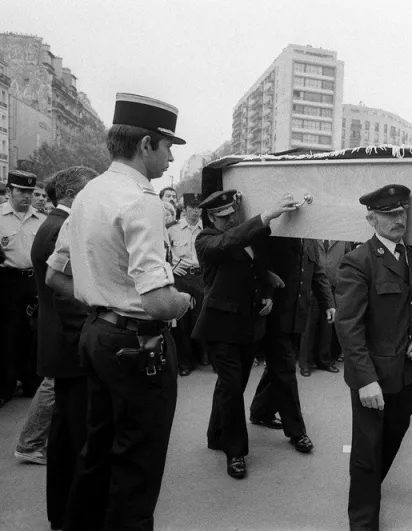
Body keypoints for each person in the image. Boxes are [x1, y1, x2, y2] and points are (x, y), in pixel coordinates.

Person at [59, 93, 191, 531]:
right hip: (138, 344)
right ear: (147, 143)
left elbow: (55, 273)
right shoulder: (141, 200)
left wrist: (101, 294)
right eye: (169, 146)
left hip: (97, 335)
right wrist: (186, 300)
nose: (171, 157)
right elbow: (157, 300)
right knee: (138, 463)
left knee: (97, 450)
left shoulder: (89, 192)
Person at [335, 184, 412, 531]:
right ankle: (363, 521)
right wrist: (365, 380)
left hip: (408, 375)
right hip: (374, 377)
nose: (398, 219)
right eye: (389, 214)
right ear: (371, 218)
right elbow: (349, 327)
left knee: (392, 437)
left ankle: (369, 491)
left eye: (402, 212)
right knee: (366, 451)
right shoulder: (358, 262)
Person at [193, 188, 294, 479]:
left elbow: (255, 270)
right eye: (223, 216)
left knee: (232, 386)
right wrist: (265, 215)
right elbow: (227, 243)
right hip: (218, 327)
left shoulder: (246, 237)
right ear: (211, 216)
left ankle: (216, 434)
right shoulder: (206, 239)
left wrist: (266, 290)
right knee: (232, 386)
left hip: (246, 326)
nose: (229, 220)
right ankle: (235, 452)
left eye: (233, 214)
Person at [23, 166, 96, 529]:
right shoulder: (61, 228)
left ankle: (64, 513)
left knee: (66, 434)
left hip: (60, 341)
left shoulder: (52, 223)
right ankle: (72, 513)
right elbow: (67, 295)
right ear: (73, 193)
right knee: (73, 437)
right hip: (70, 344)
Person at [248, 234, 335, 453]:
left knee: (278, 367)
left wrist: (327, 303)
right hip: (275, 314)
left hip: (298, 316)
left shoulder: (311, 238)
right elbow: (262, 266)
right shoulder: (278, 234)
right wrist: (265, 295)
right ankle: (297, 431)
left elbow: (317, 274)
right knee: (286, 370)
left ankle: (260, 411)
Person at [0, 170, 45, 407]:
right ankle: (5, 385)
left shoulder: (41, 218)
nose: (27, 196)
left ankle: (30, 381)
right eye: (22, 191)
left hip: (33, 280)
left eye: (30, 192)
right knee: (8, 333)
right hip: (7, 281)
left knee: (33, 332)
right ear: (9, 191)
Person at [298, 239, 352, 376]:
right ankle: (305, 363)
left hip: (334, 287)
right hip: (313, 287)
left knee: (327, 327)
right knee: (309, 327)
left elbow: (349, 261)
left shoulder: (342, 238)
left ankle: (325, 360)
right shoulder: (311, 238)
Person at [169, 193, 207, 375]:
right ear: (184, 210)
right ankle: (185, 361)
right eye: (191, 208)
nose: (195, 212)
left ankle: (203, 354)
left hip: (201, 277)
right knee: (182, 319)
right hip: (181, 277)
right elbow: (160, 253)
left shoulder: (206, 228)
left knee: (203, 316)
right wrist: (170, 268)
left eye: (199, 208)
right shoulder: (172, 230)